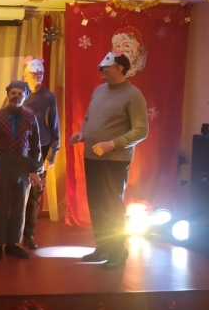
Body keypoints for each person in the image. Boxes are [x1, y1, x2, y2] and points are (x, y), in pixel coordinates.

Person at [69, 50, 149, 269]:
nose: (100, 70)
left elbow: (141, 130)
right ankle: (103, 247)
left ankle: (117, 252)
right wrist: (82, 133)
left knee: (111, 205)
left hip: (114, 161)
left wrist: (112, 144)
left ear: (119, 68)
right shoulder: (98, 90)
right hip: (92, 156)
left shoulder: (133, 95)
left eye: (105, 67)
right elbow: (89, 118)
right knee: (97, 204)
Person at [0, 81, 43, 260]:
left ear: (25, 96)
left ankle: (12, 244)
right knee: (0, 207)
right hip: (2, 165)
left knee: (19, 207)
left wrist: (34, 170)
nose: (16, 96)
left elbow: (35, 146)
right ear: (8, 94)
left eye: (20, 94)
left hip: (23, 167)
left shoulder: (31, 118)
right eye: (13, 93)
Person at [19, 56, 60, 249]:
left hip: (41, 150)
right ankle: (12, 235)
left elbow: (54, 128)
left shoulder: (49, 97)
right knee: (16, 193)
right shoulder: (18, 93)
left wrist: (51, 155)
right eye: (33, 73)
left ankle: (29, 234)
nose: (37, 76)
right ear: (25, 74)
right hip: (19, 150)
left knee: (35, 194)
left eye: (40, 73)